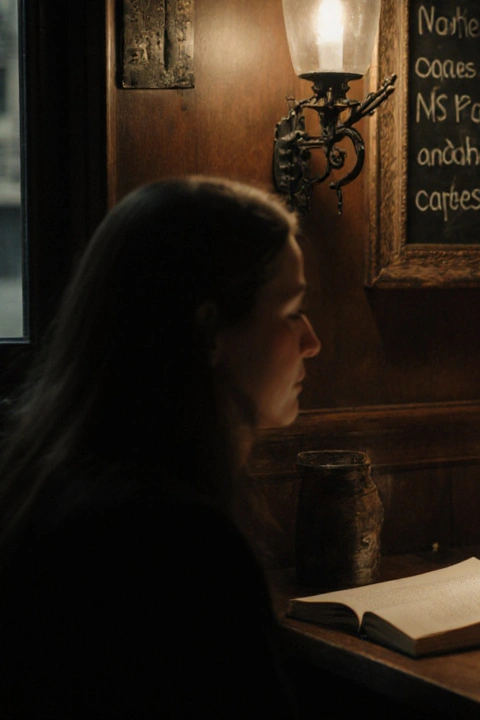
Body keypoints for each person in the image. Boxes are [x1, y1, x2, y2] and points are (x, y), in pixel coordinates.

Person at [0, 176, 321, 718]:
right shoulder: (175, 543)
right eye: (290, 312)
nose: (312, 341)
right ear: (211, 330)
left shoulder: (48, 482)